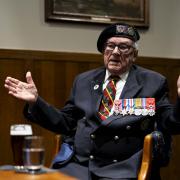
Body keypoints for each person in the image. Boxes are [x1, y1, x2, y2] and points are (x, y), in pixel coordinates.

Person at [4, 23, 180, 180]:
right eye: (110, 46)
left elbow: (170, 124)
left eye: (124, 47)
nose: (116, 52)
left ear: (135, 55)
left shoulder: (153, 82)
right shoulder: (84, 80)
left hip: (122, 170)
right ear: (104, 51)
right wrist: (36, 102)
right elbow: (66, 123)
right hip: (79, 166)